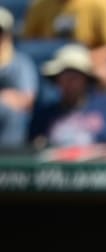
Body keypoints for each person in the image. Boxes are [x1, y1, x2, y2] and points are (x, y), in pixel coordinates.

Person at [22, 0, 106, 113]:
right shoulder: (40, 6)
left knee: (105, 73)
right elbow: (29, 43)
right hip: (53, 63)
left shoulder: (98, 4)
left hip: (89, 59)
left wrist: (85, 60)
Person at [29, 43, 106, 147]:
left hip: (103, 167)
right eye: (64, 77)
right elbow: (34, 144)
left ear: (86, 79)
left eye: (74, 77)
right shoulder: (45, 114)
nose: (69, 83)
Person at [0, 6, 38, 149]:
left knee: (10, 114)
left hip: (7, 121)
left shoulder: (21, 63)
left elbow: (27, 100)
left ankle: (7, 166)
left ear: (8, 35)